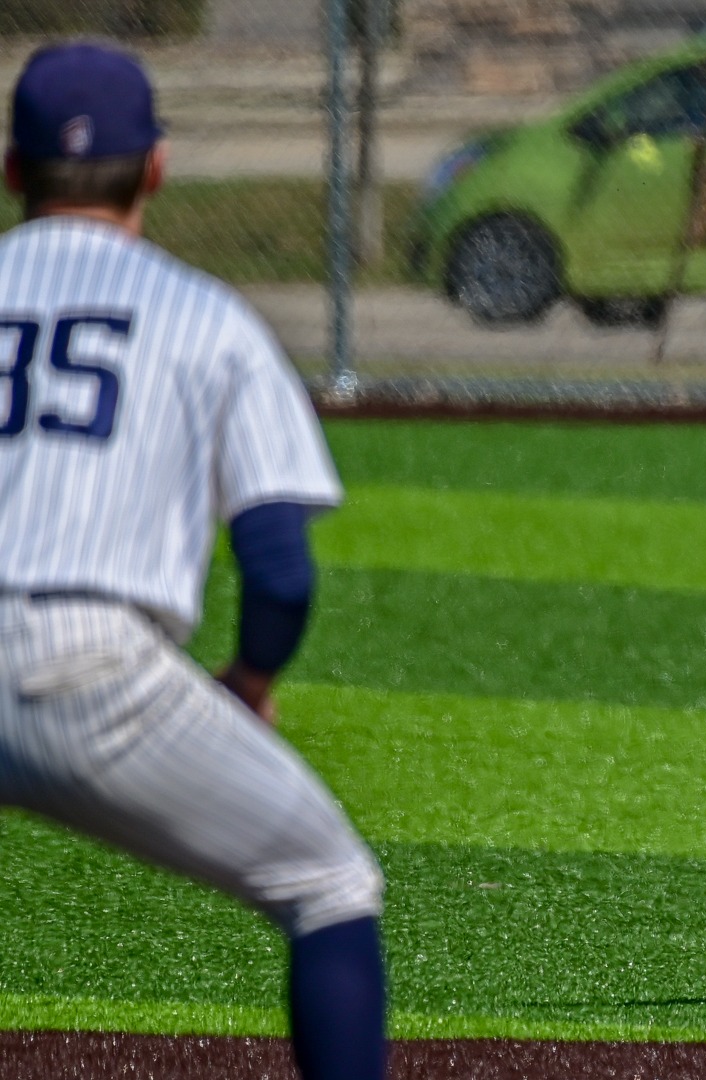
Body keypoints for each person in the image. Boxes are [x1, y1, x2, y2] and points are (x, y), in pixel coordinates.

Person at [0, 43, 388, 1074]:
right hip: (85, 669)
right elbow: (279, 566)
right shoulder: (204, 315)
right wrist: (251, 677)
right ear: (158, 168)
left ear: (11, 171)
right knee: (328, 884)